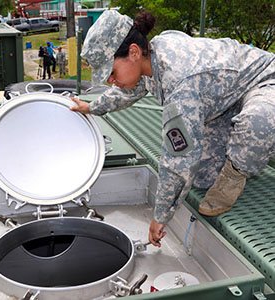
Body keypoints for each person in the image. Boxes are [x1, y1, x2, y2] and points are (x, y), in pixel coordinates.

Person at [69, 10, 275, 247]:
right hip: (226, 102)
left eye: (111, 72)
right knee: (202, 177)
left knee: (257, 125)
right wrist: (93, 106)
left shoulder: (180, 82)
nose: (110, 81)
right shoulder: (150, 57)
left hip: (265, 81)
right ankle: (241, 145)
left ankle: (235, 174)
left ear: (134, 52)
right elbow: (129, 90)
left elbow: (178, 160)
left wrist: (161, 215)